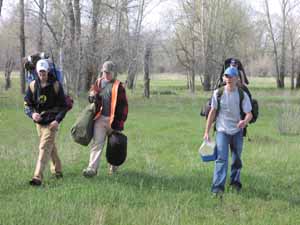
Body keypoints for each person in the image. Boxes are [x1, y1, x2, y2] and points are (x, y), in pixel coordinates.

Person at [203, 66, 252, 196]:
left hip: (237, 131)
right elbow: (212, 113)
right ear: (224, 78)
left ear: (237, 79)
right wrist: (206, 132)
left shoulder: (242, 95)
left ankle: (235, 184)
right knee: (221, 159)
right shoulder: (218, 93)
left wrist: (244, 122)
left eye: (231, 76)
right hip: (222, 130)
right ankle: (217, 189)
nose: (229, 79)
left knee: (236, 159)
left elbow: (249, 114)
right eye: (226, 76)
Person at [24, 59, 67, 186]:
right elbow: (27, 104)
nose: (42, 75)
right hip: (39, 123)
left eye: (44, 72)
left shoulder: (56, 85)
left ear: (48, 71)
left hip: (52, 122)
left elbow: (63, 106)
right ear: (37, 72)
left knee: (43, 147)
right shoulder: (32, 86)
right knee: (50, 146)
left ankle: (37, 176)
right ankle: (57, 170)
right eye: (40, 72)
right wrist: (32, 114)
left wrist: (57, 120)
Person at [82, 61, 128, 177]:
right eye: (104, 72)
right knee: (97, 144)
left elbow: (124, 107)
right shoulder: (98, 82)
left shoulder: (119, 86)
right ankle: (92, 169)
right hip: (100, 119)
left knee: (114, 145)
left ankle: (113, 169)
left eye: (108, 73)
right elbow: (92, 97)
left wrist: (119, 123)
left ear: (113, 73)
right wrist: (91, 96)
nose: (106, 75)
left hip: (114, 121)